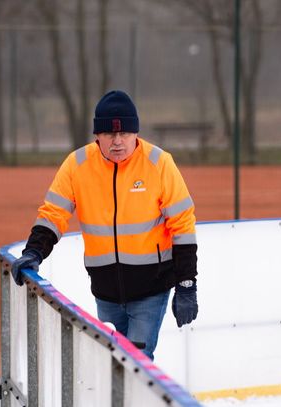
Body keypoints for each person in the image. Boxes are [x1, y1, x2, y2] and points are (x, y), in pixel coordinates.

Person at [11, 90, 198, 360]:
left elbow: (182, 224)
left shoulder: (159, 163)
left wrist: (186, 284)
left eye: (124, 133)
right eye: (110, 134)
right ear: (97, 135)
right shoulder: (77, 165)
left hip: (151, 289)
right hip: (105, 291)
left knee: (137, 362)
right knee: (112, 362)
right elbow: (53, 214)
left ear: (136, 133)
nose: (117, 141)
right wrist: (34, 252)